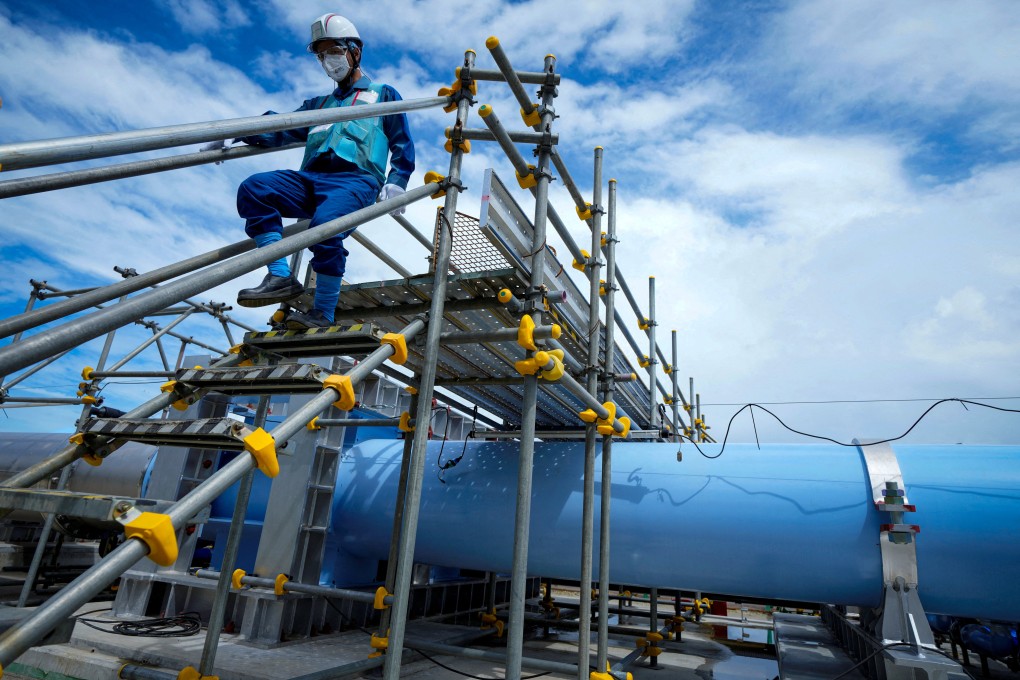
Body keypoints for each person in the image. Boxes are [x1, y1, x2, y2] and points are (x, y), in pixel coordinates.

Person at [203, 13, 414, 329]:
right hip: (311, 179)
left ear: (355, 51)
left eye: (334, 51)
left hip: (356, 181)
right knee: (255, 187)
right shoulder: (318, 105)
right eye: (321, 55)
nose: (328, 60)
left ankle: (323, 314)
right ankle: (279, 277)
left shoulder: (382, 94)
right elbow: (279, 128)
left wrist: (398, 181)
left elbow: (402, 142)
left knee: (325, 227)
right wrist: (232, 131)